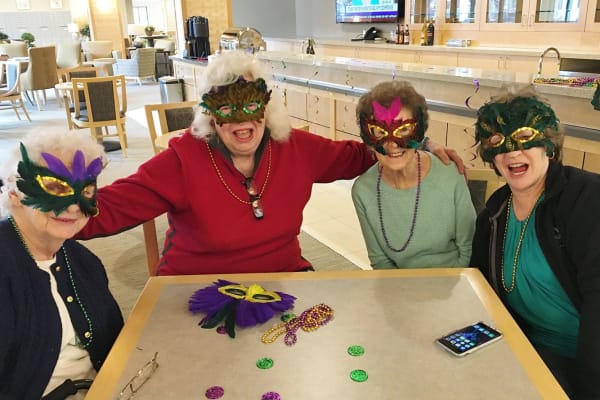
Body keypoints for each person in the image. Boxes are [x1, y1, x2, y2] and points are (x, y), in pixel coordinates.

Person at [77, 51, 463, 276]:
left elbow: (365, 152)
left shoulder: (295, 148)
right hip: (198, 289)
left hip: (286, 283)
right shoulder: (183, 160)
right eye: (227, 108)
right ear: (210, 116)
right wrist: (48, 203)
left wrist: (420, 143)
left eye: (251, 106)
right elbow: (109, 208)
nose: (242, 121)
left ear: (267, 107)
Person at [470, 85, 600, 400]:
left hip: (579, 363)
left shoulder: (586, 198)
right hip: (520, 348)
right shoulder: (495, 210)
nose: (513, 152)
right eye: (498, 142)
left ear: (550, 146)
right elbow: (479, 284)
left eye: (525, 137)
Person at [0, 131, 124, 399]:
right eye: (55, 188)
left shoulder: (82, 261)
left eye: (86, 191)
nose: (73, 207)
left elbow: (116, 342)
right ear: (14, 192)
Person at [351, 80, 476, 268]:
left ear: (419, 131)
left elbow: (469, 248)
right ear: (367, 138)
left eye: (404, 130)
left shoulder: (449, 173)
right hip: (400, 288)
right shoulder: (363, 190)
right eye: (378, 131)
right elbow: (380, 262)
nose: (392, 144)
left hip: (455, 283)